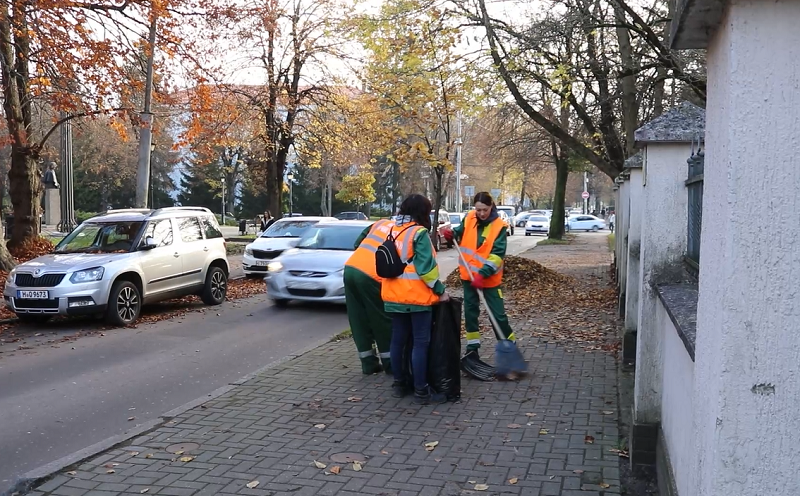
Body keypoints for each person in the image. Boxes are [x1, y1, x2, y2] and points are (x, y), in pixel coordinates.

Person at [382, 194, 449, 404]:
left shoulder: (393, 230)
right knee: (420, 343)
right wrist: (440, 291)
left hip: (394, 296)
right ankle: (421, 391)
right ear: (422, 212)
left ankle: (399, 385)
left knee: (397, 341)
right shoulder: (419, 233)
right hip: (416, 298)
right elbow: (426, 269)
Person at [452, 192, 515, 357]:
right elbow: (459, 233)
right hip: (469, 279)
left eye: (484, 210)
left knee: (498, 316)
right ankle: (472, 350)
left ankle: (509, 348)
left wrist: (482, 274)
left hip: (489, 280)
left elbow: (496, 256)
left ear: (491, 207)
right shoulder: (469, 217)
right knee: (471, 314)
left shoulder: (499, 227)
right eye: (478, 209)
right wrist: (452, 234)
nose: (481, 213)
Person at [343, 218, 395, 375]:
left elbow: (357, 243)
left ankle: (368, 364)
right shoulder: (405, 231)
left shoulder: (380, 223)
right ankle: (390, 363)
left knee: (358, 318)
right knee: (380, 319)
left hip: (351, 268)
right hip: (372, 274)